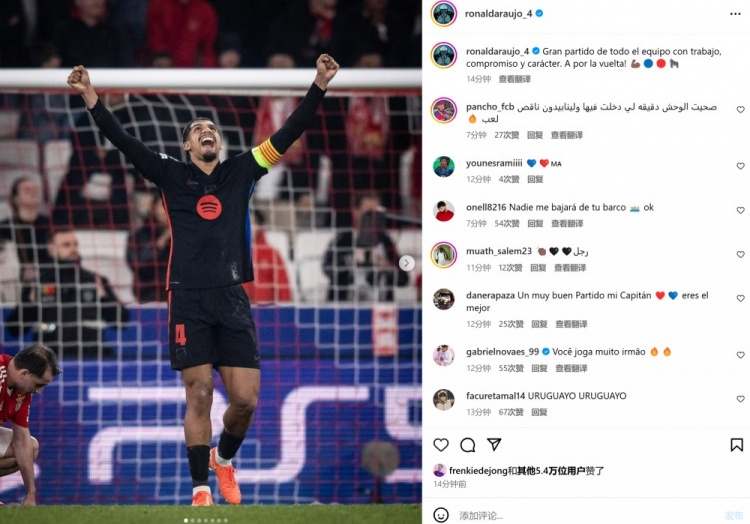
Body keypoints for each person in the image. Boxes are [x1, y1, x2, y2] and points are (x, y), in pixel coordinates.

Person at [67, 54, 339, 506]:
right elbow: (124, 142)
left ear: (219, 140)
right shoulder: (170, 174)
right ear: (187, 146)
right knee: (199, 393)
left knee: (245, 401)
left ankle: (223, 459)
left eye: (210, 127)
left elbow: (289, 132)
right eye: (196, 129)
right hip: (187, 298)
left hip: (231, 297)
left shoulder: (243, 170)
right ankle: (200, 490)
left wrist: (320, 85)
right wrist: (91, 97)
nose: (205, 130)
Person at [5, 229, 131, 359]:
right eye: (66, 245)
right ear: (51, 249)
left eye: (75, 244)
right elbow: (14, 329)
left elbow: (121, 322)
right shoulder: (39, 283)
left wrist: (104, 299)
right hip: (48, 363)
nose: (73, 249)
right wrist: (31, 302)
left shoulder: (94, 281)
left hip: (90, 361)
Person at [0, 343, 61, 506]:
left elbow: (21, 440)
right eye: (39, 384)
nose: (39, 391)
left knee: (30, 447)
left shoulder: (21, 391)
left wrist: (30, 494)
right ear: (24, 374)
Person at [322, 193, 408, 301]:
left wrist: (388, 267)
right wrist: (352, 260)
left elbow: (403, 279)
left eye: (377, 212)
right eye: (369, 212)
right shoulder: (344, 239)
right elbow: (327, 268)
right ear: (355, 212)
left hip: (380, 305)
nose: (374, 217)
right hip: (345, 303)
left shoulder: (385, 240)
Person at [0, 177, 52, 283]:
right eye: (27, 190)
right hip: (16, 281)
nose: (33, 193)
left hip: (49, 278)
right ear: (16, 198)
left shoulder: (51, 224)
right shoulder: (4, 228)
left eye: (35, 190)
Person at [127, 193, 171, 303]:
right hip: (148, 296)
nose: (166, 211)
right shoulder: (139, 236)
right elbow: (139, 265)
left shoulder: (184, 236)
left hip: (178, 297)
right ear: (153, 208)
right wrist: (162, 241)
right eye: (162, 206)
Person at [243, 210, 292, 304]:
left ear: (260, 226)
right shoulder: (233, 253)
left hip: (266, 309)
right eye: (246, 223)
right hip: (239, 308)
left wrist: (284, 309)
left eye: (253, 223)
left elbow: (282, 284)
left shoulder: (271, 253)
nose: (250, 226)